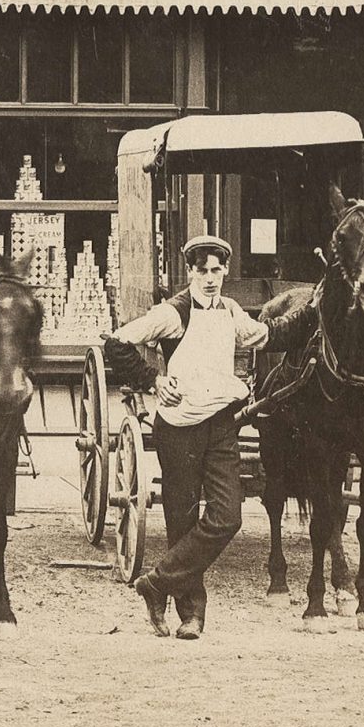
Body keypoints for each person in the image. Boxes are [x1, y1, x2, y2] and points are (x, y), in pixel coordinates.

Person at [108, 234, 269, 639]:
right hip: (178, 428)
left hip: (221, 424)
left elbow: (265, 334)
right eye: (203, 270)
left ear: (226, 271)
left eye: (217, 270)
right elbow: (117, 343)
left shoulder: (231, 310)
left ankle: (156, 582)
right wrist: (153, 380)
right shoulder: (174, 312)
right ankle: (192, 615)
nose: (211, 278)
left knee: (228, 515)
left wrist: (317, 311)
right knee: (182, 520)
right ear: (190, 271)